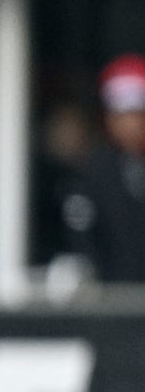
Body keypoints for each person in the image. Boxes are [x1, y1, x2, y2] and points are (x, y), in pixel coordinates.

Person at [58, 53, 145, 282]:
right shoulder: (93, 172)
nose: (130, 124)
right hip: (113, 300)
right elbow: (82, 236)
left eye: (137, 113)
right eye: (119, 115)